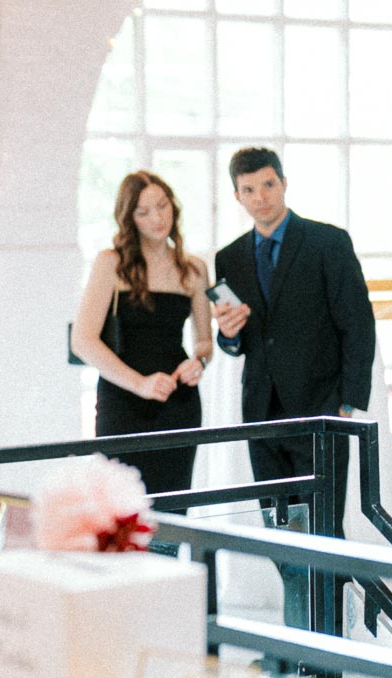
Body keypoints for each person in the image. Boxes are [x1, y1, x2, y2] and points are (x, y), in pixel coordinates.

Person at [213, 146, 376, 535]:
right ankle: (296, 597)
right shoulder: (228, 258)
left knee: (324, 527)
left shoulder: (328, 243)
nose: (261, 197)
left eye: (268, 184)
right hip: (261, 413)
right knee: (278, 526)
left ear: (284, 183)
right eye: (249, 190)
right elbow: (233, 341)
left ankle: (329, 599)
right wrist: (228, 335)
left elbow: (358, 324)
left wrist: (349, 402)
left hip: (321, 408)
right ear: (237, 197)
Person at [71, 171, 212, 498]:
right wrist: (140, 384)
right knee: (120, 512)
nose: (157, 218)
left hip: (177, 403)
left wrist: (199, 361)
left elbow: (204, 341)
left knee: (173, 511)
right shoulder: (111, 264)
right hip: (123, 401)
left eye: (163, 206)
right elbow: (83, 340)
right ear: (129, 218)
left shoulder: (194, 269)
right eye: (143, 212)